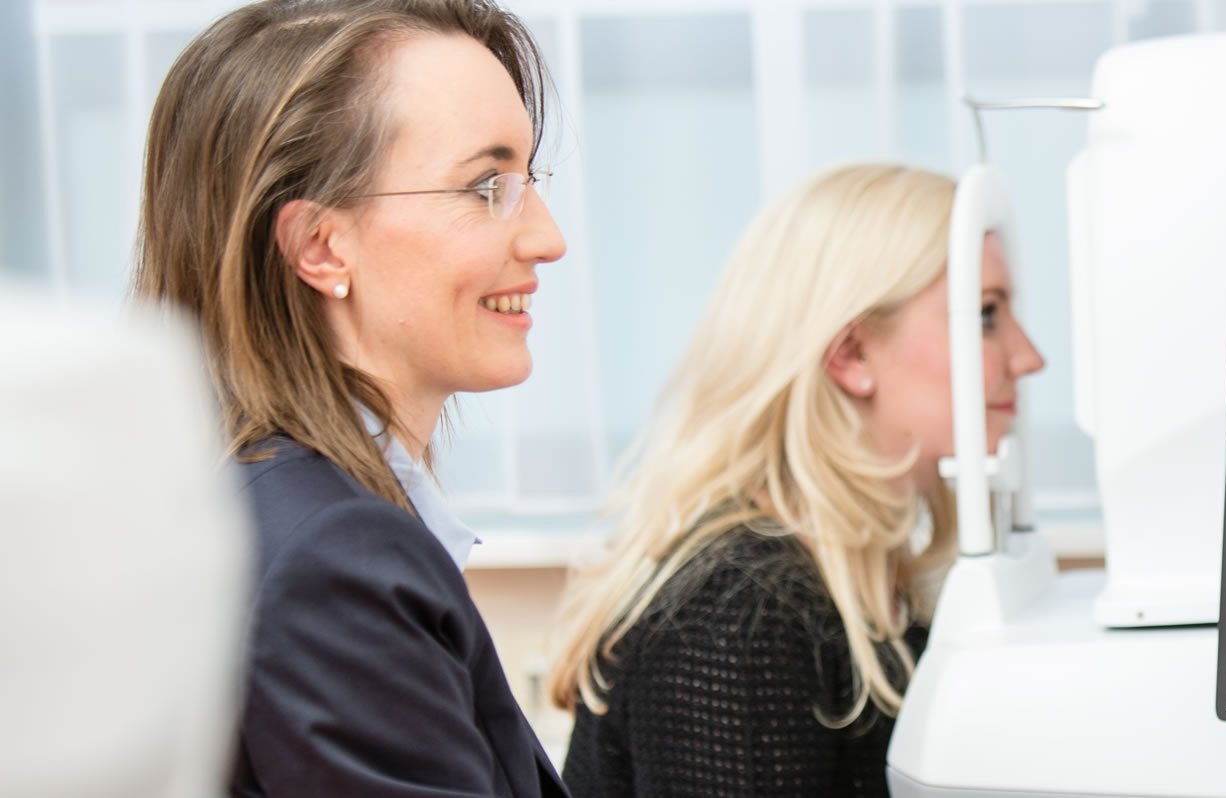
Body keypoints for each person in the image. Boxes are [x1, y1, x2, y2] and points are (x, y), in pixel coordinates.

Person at [132, 1, 568, 795]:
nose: (548, 238)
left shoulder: (246, 506)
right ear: (320, 247)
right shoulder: (334, 557)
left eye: (529, 180)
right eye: (486, 186)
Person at [547, 163, 1046, 796]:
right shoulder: (738, 618)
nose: (1029, 357)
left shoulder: (866, 577)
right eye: (984, 315)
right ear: (852, 354)